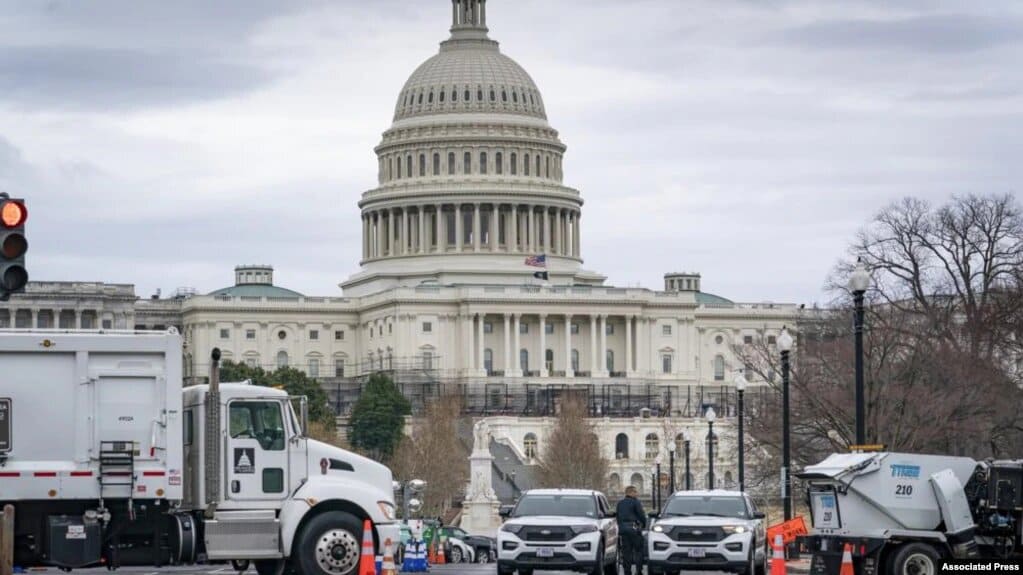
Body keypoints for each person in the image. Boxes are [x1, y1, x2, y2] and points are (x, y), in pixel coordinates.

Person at [616, 485, 647, 575]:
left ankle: (627, 571)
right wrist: (644, 524)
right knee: (638, 550)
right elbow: (641, 515)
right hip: (634, 529)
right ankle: (638, 570)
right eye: (635, 492)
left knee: (626, 552)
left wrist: (621, 526)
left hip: (623, 530)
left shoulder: (620, 503)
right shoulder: (636, 502)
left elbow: (618, 517)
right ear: (631, 493)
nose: (637, 494)